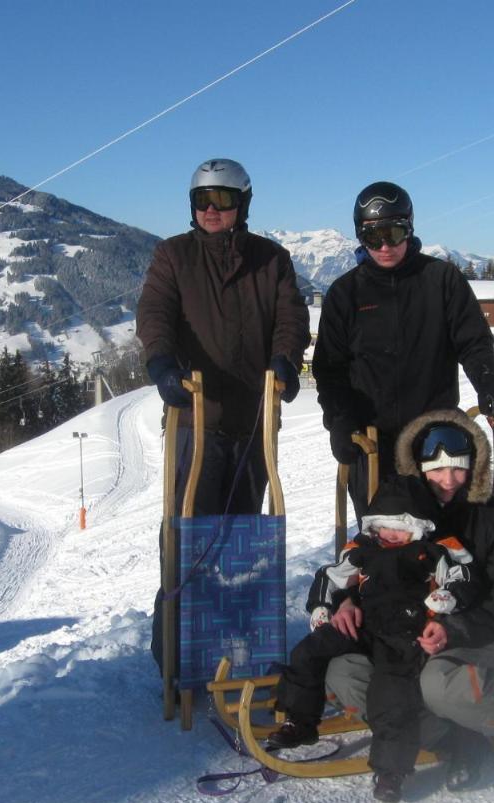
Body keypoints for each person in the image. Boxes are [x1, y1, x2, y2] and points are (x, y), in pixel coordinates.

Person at [137, 158, 310, 674]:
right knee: (188, 531)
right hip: (197, 418)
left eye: (224, 201)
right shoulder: (174, 256)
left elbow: (290, 317)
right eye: (203, 201)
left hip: (254, 420)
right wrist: (162, 361)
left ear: (243, 205)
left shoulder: (270, 258)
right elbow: (155, 314)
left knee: (243, 537)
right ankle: (177, 649)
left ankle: (237, 640)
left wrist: (285, 360)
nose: (212, 210)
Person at [324, 409, 494, 790]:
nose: (448, 481)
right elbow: (359, 565)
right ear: (418, 468)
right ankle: (451, 738)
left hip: (462, 638)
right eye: (436, 470)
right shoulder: (394, 514)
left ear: (475, 468)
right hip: (393, 638)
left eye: (459, 469)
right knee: (343, 673)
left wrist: (454, 628)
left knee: (437, 684)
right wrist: (345, 601)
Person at [311, 180, 494, 520]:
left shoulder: (441, 280)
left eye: (393, 233)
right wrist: (339, 418)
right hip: (372, 439)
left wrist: (491, 381)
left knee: (444, 531)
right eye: (372, 237)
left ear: (409, 229)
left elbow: (473, 342)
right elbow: (331, 369)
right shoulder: (346, 293)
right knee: (383, 534)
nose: (384, 246)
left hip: (433, 434)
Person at [268, 482, 475, 803]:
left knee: (390, 690)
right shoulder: (364, 548)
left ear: (417, 528)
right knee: (309, 650)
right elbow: (331, 576)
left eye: (400, 530)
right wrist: (323, 607)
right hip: (363, 623)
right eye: (383, 528)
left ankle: (391, 772)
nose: (391, 535)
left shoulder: (432, 549)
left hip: (406, 632)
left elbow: (461, 574)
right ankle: (301, 720)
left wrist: (447, 596)